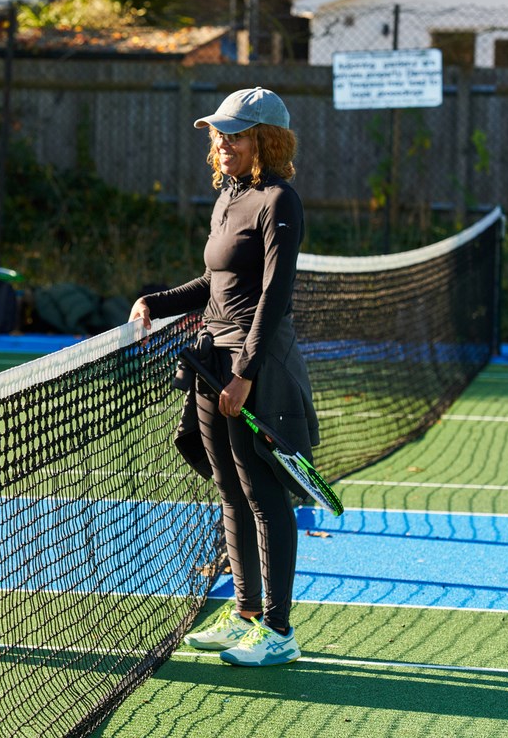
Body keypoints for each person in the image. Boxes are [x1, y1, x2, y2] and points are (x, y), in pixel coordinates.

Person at [129, 87, 318, 667]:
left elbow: (272, 299)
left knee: (264, 497)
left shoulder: (279, 202)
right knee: (230, 492)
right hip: (211, 361)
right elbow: (213, 284)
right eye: (219, 134)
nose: (222, 144)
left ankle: (278, 630)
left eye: (234, 135)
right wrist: (152, 302)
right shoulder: (229, 197)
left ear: (266, 140)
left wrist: (245, 374)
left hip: (251, 365)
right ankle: (244, 615)